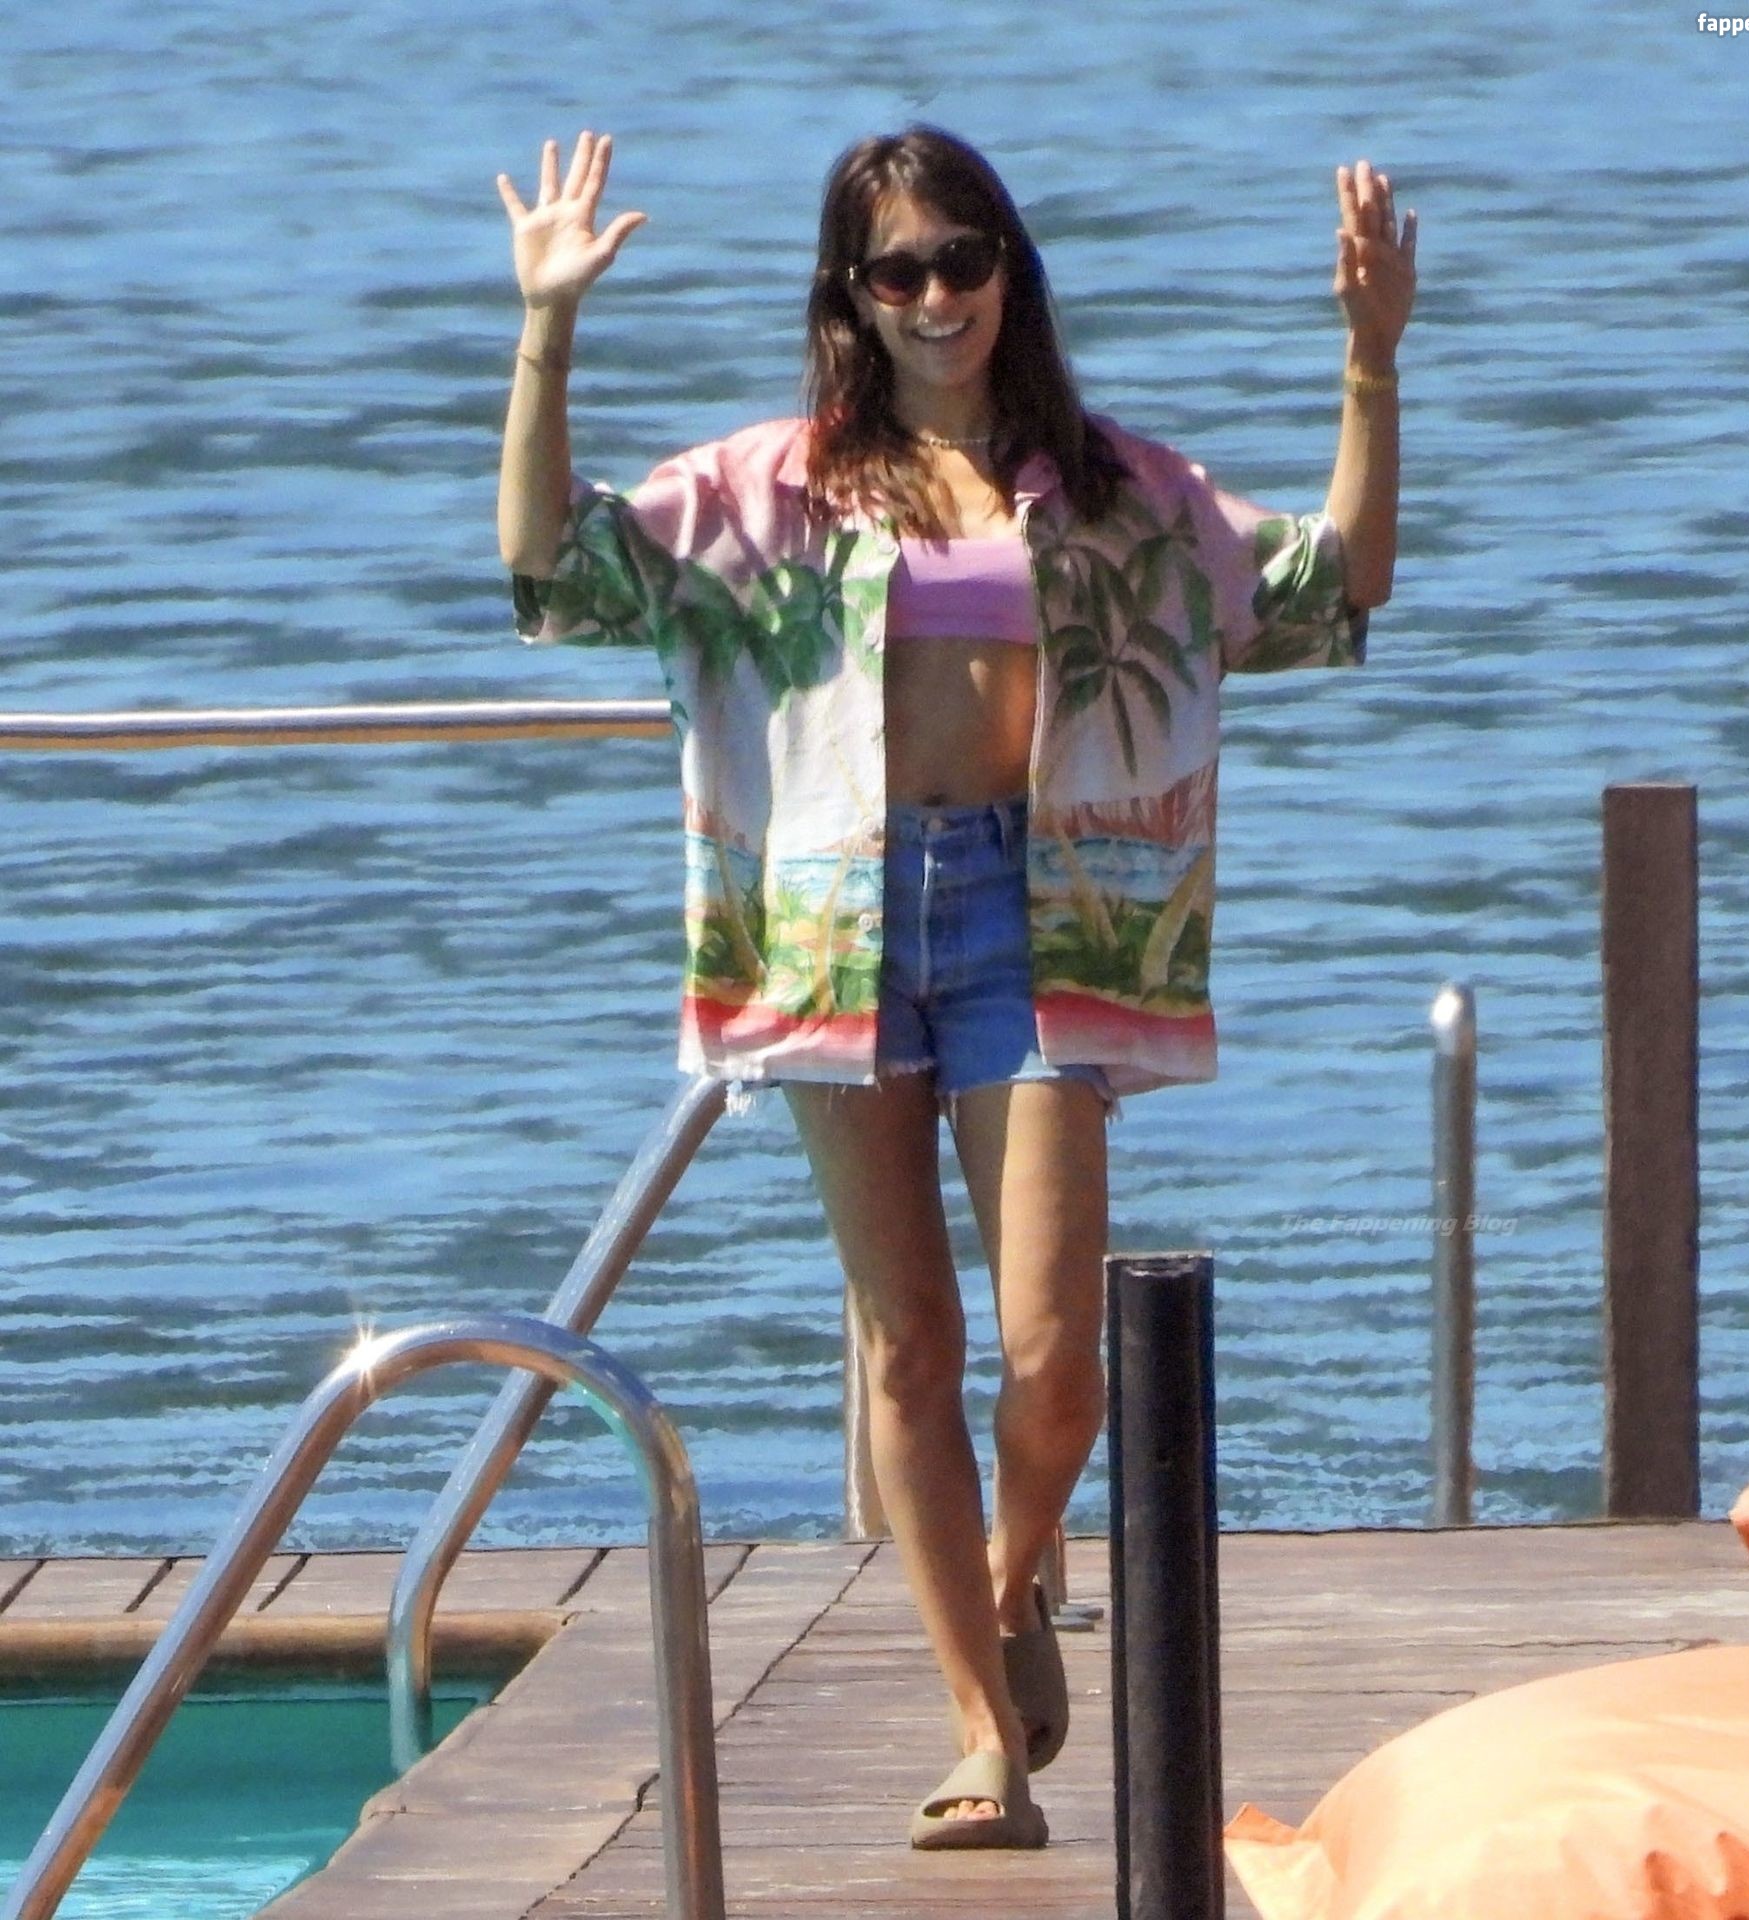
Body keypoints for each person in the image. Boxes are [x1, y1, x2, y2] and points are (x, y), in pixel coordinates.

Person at [497, 123, 1415, 1852]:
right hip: (834, 920)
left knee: (1058, 1357)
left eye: (963, 261)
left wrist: (1370, 363)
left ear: (1011, 273)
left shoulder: (1117, 488)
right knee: (910, 1347)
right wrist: (548, 326)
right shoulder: (773, 488)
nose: (936, 298)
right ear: (851, 296)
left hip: (1041, 913)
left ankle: (1004, 1581)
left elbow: (1329, 587)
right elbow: (553, 565)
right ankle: (981, 1725)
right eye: (898, 271)